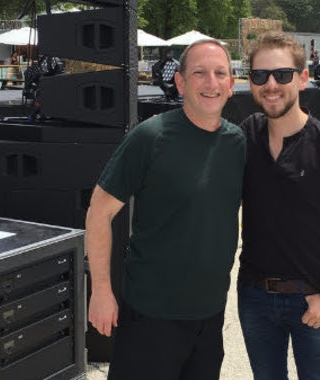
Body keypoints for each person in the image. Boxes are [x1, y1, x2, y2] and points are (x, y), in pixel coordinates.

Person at [86, 39, 245, 380]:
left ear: (232, 85)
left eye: (220, 74)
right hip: (151, 315)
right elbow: (99, 212)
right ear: (181, 82)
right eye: (200, 73)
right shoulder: (150, 137)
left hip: (211, 313)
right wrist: (101, 291)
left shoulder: (238, 144)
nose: (211, 83)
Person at [238, 31, 320, 380]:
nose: (271, 85)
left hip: (313, 299)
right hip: (254, 296)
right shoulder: (245, 137)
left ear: (302, 78)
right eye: (260, 75)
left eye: (282, 74)